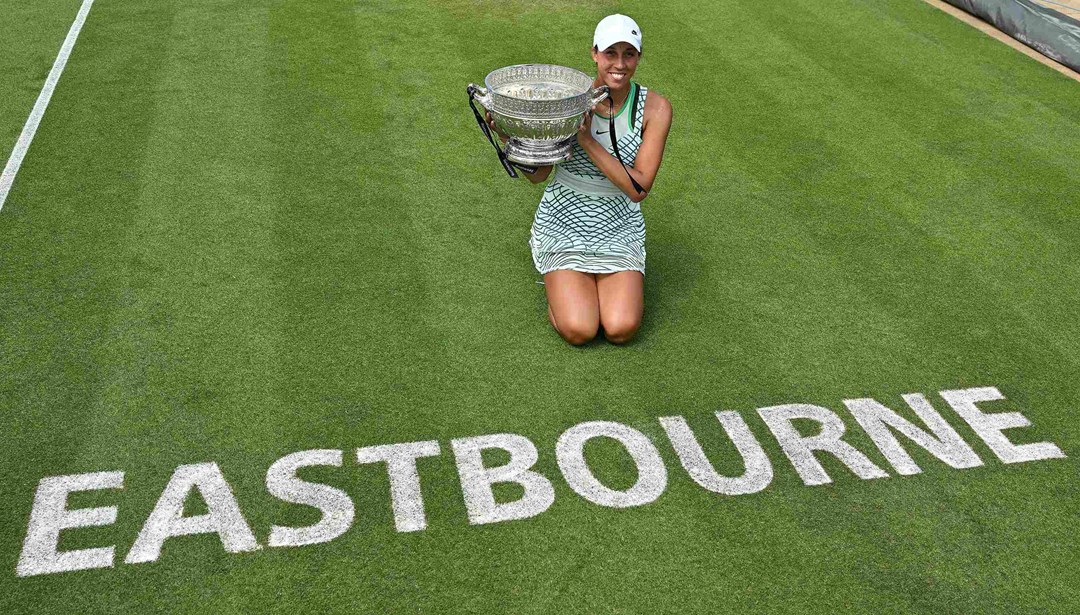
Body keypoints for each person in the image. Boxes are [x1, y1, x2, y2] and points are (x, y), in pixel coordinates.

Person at [490, 14, 672, 346]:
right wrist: (511, 136)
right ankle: (563, 285)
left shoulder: (655, 109)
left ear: (639, 57)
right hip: (563, 222)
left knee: (620, 328)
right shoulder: (567, 100)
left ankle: (587, 283)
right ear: (594, 54)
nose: (619, 63)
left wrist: (587, 140)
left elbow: (639, 188)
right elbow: (540, 176)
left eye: (628, 54)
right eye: (610, 53)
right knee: (580, 330)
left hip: (619, 226)